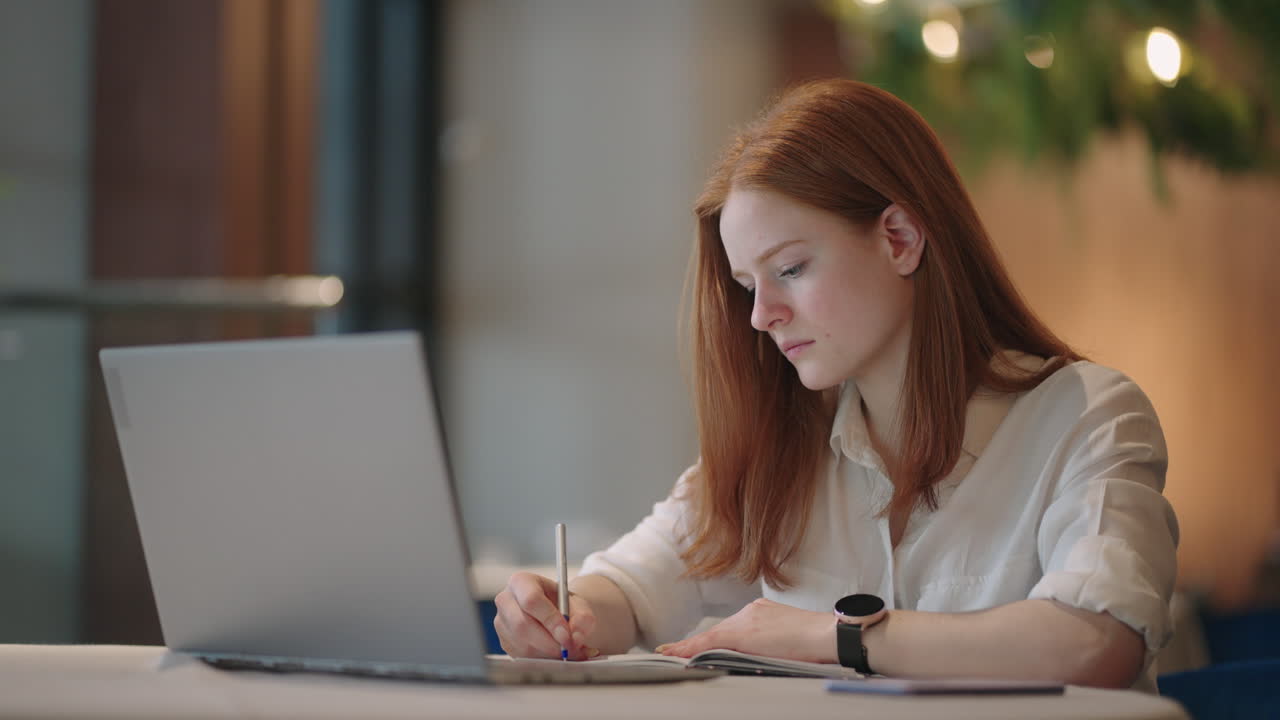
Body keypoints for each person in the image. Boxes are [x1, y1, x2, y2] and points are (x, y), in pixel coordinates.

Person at [493, 78, 1179, 691]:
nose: (762, 315)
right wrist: (566, 611)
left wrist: (832, 637)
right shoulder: (778, 449)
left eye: (789, 269)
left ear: (901, 238)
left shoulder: (1088, 416)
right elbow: (627, 590)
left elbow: (1096, 642)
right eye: (746, 286)